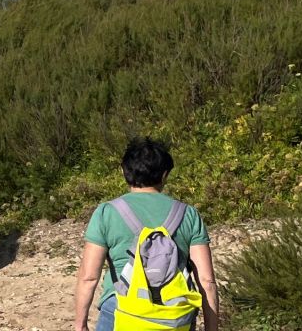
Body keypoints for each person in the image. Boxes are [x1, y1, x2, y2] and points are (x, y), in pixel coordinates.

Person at [72, 138, 219, 331]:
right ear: (165, 174)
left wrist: (80, 324)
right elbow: (207, 281)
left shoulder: (106, 212)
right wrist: (212, 328)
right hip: (174, 316)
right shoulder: (188, 214)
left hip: (121, 310)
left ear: (123, 171)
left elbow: (89, 277)